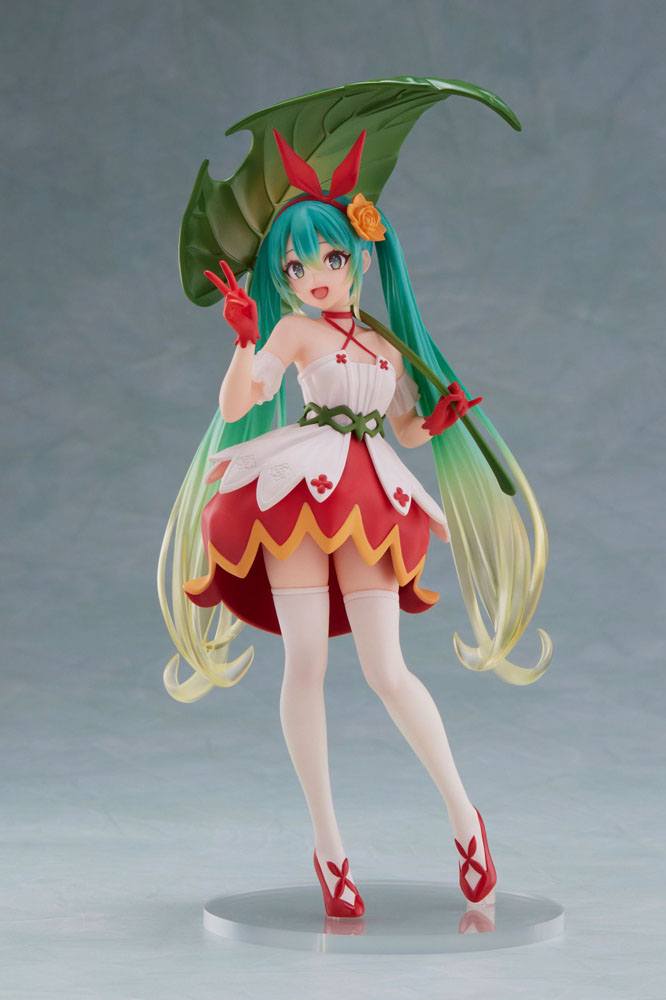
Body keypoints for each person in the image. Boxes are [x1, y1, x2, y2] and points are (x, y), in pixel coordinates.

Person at [160, 128, 552, 918]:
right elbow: (239, 404)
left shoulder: (387, 344)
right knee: (305, 662)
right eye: (296, 268)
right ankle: (329, 843)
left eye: (331, 259)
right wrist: (244, 340)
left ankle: (464, 816)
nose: (316, 277)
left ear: (360, 256)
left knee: (387, 670)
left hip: (368, 494)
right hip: (300, 490)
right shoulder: (294, 330)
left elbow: (402, 427)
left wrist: (438, 420)